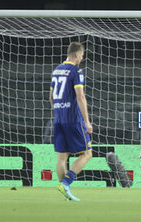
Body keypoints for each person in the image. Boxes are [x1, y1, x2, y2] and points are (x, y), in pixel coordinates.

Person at [49, 42, 93, 201]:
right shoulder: (76, 70)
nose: (82, 58)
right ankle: (66, 184)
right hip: (73, 119)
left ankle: (64, 191)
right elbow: (80, 96)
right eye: (81, 56)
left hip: (59, 118)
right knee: (87, 153)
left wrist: (58, 111)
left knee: (62, 157)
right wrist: (87, 121)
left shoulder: (56, 70)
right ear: (76, 55)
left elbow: (51, 97)